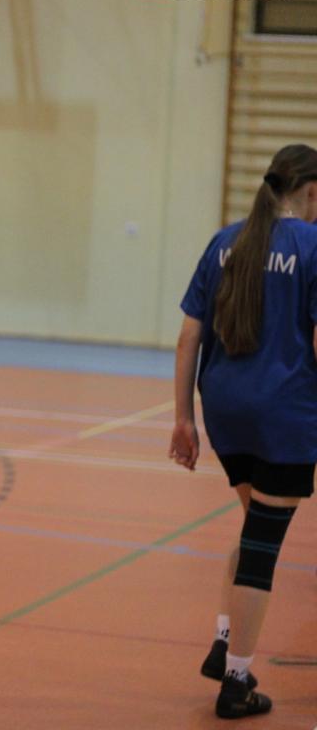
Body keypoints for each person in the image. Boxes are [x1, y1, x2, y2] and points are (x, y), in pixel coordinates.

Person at [171, 143, 317, 719]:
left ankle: (223, 641)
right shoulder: (311, 246)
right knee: (262, 550)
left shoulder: (224, 242)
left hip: (225, 411)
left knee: (256, 526)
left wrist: (183, 418)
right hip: (283, 413)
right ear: (310, 192)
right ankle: (236, 682)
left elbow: (189, 337)